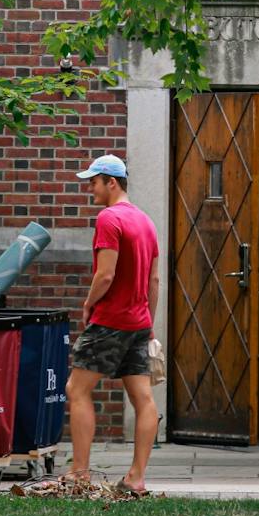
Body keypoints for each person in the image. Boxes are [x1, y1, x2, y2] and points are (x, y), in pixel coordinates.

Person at [66, 153, 160, 494]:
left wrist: (89, 304)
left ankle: (79, 473)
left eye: (93, 181)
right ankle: (136, 478)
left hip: (110, 320)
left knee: (77, 390)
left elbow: (105, 275)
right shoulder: (146, 222)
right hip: (138, 323)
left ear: (112, 182)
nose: (90, 187)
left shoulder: (109, 218)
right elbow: (154, 282)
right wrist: (149, 324)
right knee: (144, 398)